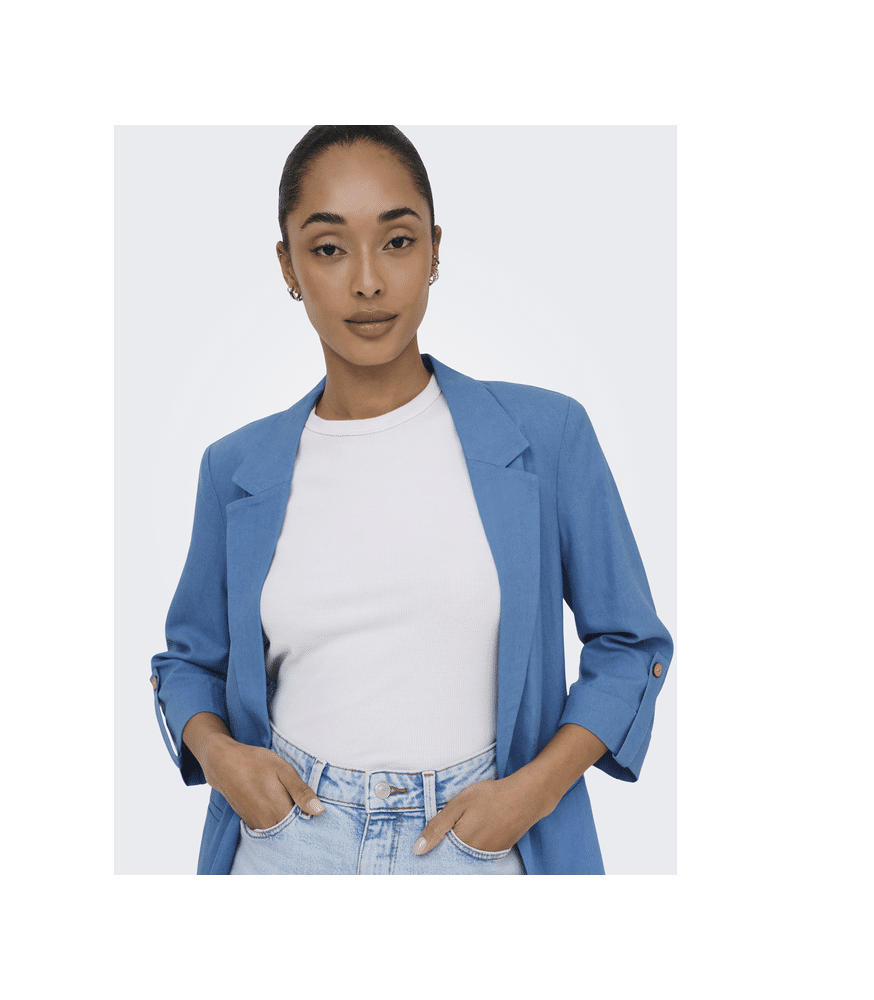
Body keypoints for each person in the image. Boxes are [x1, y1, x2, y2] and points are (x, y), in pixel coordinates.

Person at [150, 125, 673, 875]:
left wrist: (529, 793)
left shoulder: (547, 437)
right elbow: (187, 663)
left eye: (397, 241)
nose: (368, 281)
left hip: (481, 841)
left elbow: (630, 645)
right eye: (329, 248)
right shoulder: (235, 469)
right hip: (288, 840)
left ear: (434, 250)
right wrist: (221, 756)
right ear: (288, 265)